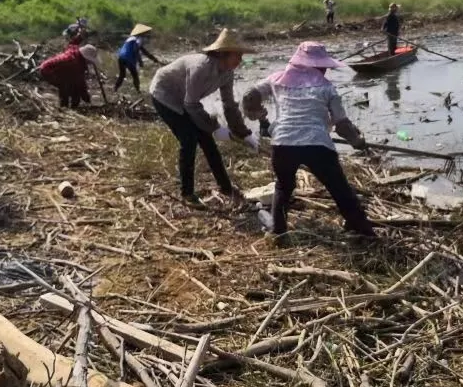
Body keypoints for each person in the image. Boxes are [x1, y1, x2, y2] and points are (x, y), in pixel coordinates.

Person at [242, 41, 375, 239]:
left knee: (283, 186)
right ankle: (361, 227)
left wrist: (253, 113)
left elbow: (249, 96)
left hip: (283, 144)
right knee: (339, 188)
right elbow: (342, 125)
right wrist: (358, 142)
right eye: (323, 66)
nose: (325, 70)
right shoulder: (327, 87)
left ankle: (278, 231)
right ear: (318, 65)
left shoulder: (277, 78)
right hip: (317, 144)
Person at [149, 29, 259, 209]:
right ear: (223, 54)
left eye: (241, 56)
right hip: (164, 95)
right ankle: (187, 194)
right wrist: (215, 128)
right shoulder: (201, 68)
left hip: (185, 100)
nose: (240, 60)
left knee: (208, 142)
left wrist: (244, 133)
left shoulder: (227, 73)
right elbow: (191, 105)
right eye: (236, 55)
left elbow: (229, 105)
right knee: (189, 139)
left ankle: (225, 187)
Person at [39, 43, 100, 109]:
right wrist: (86, 98)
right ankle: (65, 108)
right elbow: (81, 83)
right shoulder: (74, 63)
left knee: (72, 87)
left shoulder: (76, 54)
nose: (89, 63)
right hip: (48, 70)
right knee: (66, 87)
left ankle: (71, 107)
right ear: (85, 57)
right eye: (89, 61)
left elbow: (72, 43)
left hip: (58, 70)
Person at [115, 23, 161, 93]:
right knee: (135, 76)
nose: (146, 34)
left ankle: (115, 89)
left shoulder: (130, 39)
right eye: (145, 33)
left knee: (122, 75)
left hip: (121, 57)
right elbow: (136, 49)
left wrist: (154, 59)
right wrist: (140, 61)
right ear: (142, 33)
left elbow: (144, 51)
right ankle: (138, 91)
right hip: (128, 58)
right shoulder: (139, 39)